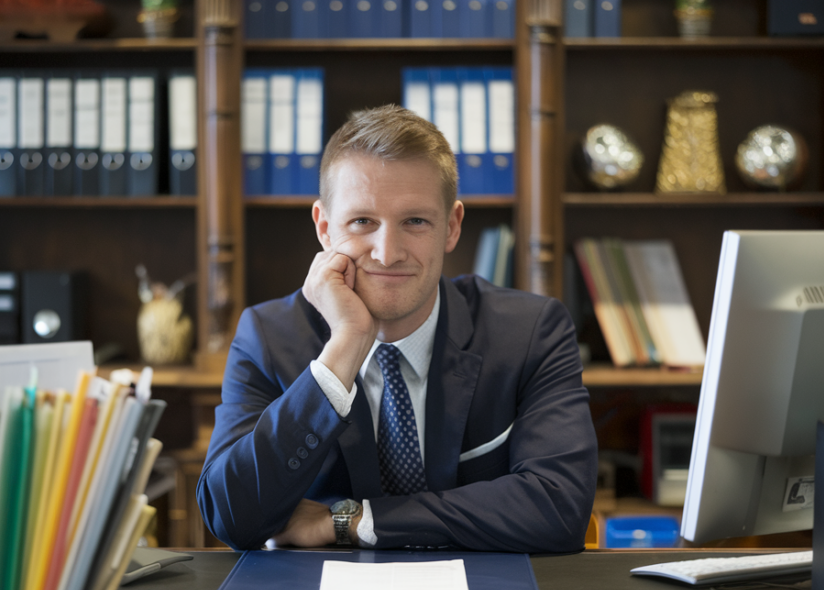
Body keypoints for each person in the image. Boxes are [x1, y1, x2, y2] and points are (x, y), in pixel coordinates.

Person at [197, 104, 597, 553]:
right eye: (362, 222)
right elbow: (231, 516)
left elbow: (560, 507)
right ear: (325, 228)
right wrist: (343, 349)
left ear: (451, 226)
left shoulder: (530, 333)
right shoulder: (268, 337)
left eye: (415, 222)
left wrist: (351, 521)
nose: (387, 253)